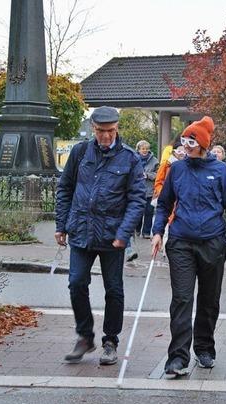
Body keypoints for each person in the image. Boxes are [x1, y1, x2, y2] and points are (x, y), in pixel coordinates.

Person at [151, 116, 226, 377]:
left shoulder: (221, 170)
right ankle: (178, 357)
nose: (186, 146)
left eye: (191, 141)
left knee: (209, 299)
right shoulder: (177, 170)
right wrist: (158, 231)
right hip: (181, 242)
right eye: (184, 140)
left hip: (213, 242)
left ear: (202, 144)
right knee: (181, 299)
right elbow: (164, 203)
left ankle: (204, 348)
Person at [55, 106, 146, 365]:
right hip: (82, 230)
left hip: (112, 235)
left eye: (110, 131)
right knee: (76, 283)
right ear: (93, 129)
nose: (105, 136)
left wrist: (123, 233)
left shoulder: (129, 158)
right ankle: (85, 336)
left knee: (114, 290)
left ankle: (110, 341)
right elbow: (65, 189)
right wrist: (61, 225)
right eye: (100, 131)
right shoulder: (80, 152)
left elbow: (137, 200)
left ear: (117, 129)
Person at [136, 140, 159, 238]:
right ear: (139, 150)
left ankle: (146, 232)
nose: (145, 150)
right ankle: (137, 229)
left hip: (150, 190)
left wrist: (148, 175)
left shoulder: (155, 161)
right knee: (138, 212)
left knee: (149, 212)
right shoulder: (134, 159)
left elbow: (158, 174)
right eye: (143, 149)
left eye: (146, 148)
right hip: (137, 190)